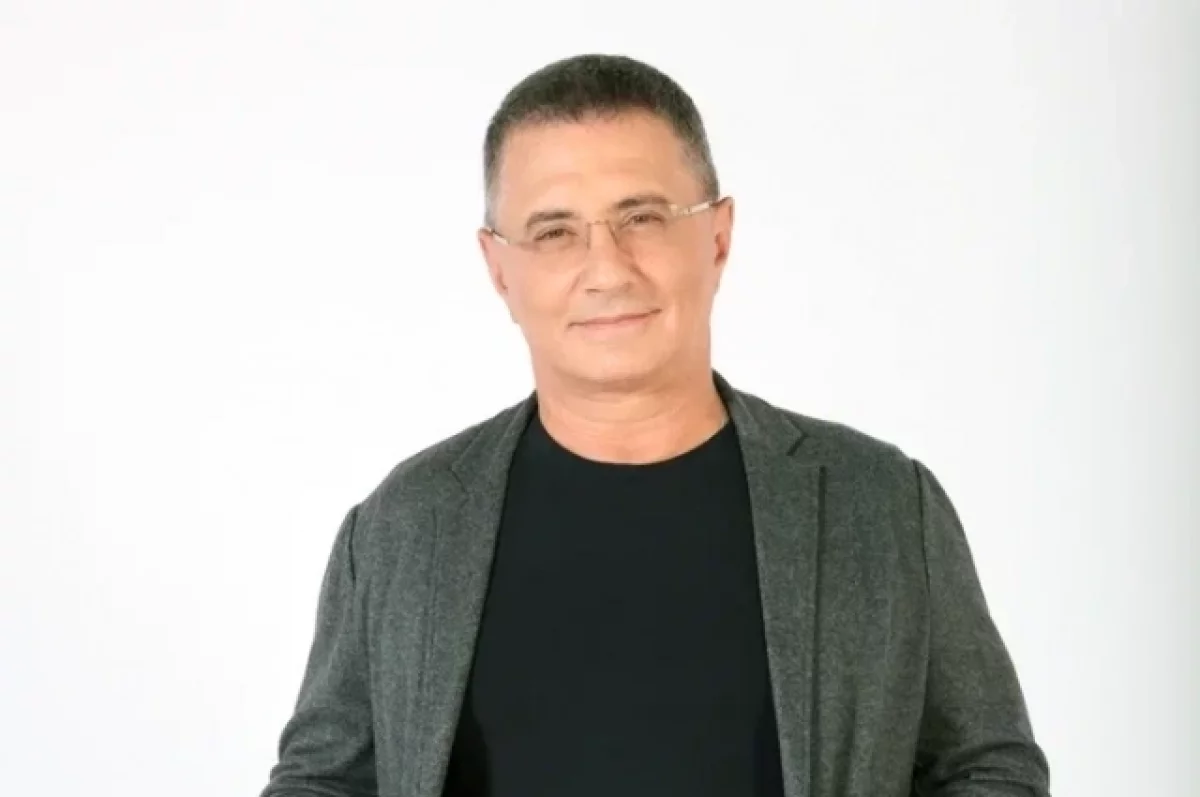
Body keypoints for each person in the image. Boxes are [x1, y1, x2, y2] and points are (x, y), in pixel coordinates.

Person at [260, 53, 1051, 797]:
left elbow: (987, 766)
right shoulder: (404, 524)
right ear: (500, 268)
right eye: (554, 231)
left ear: (718, 237)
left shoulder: (879, 502)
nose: (607, 268)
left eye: (641, 217)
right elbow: (322, 780)